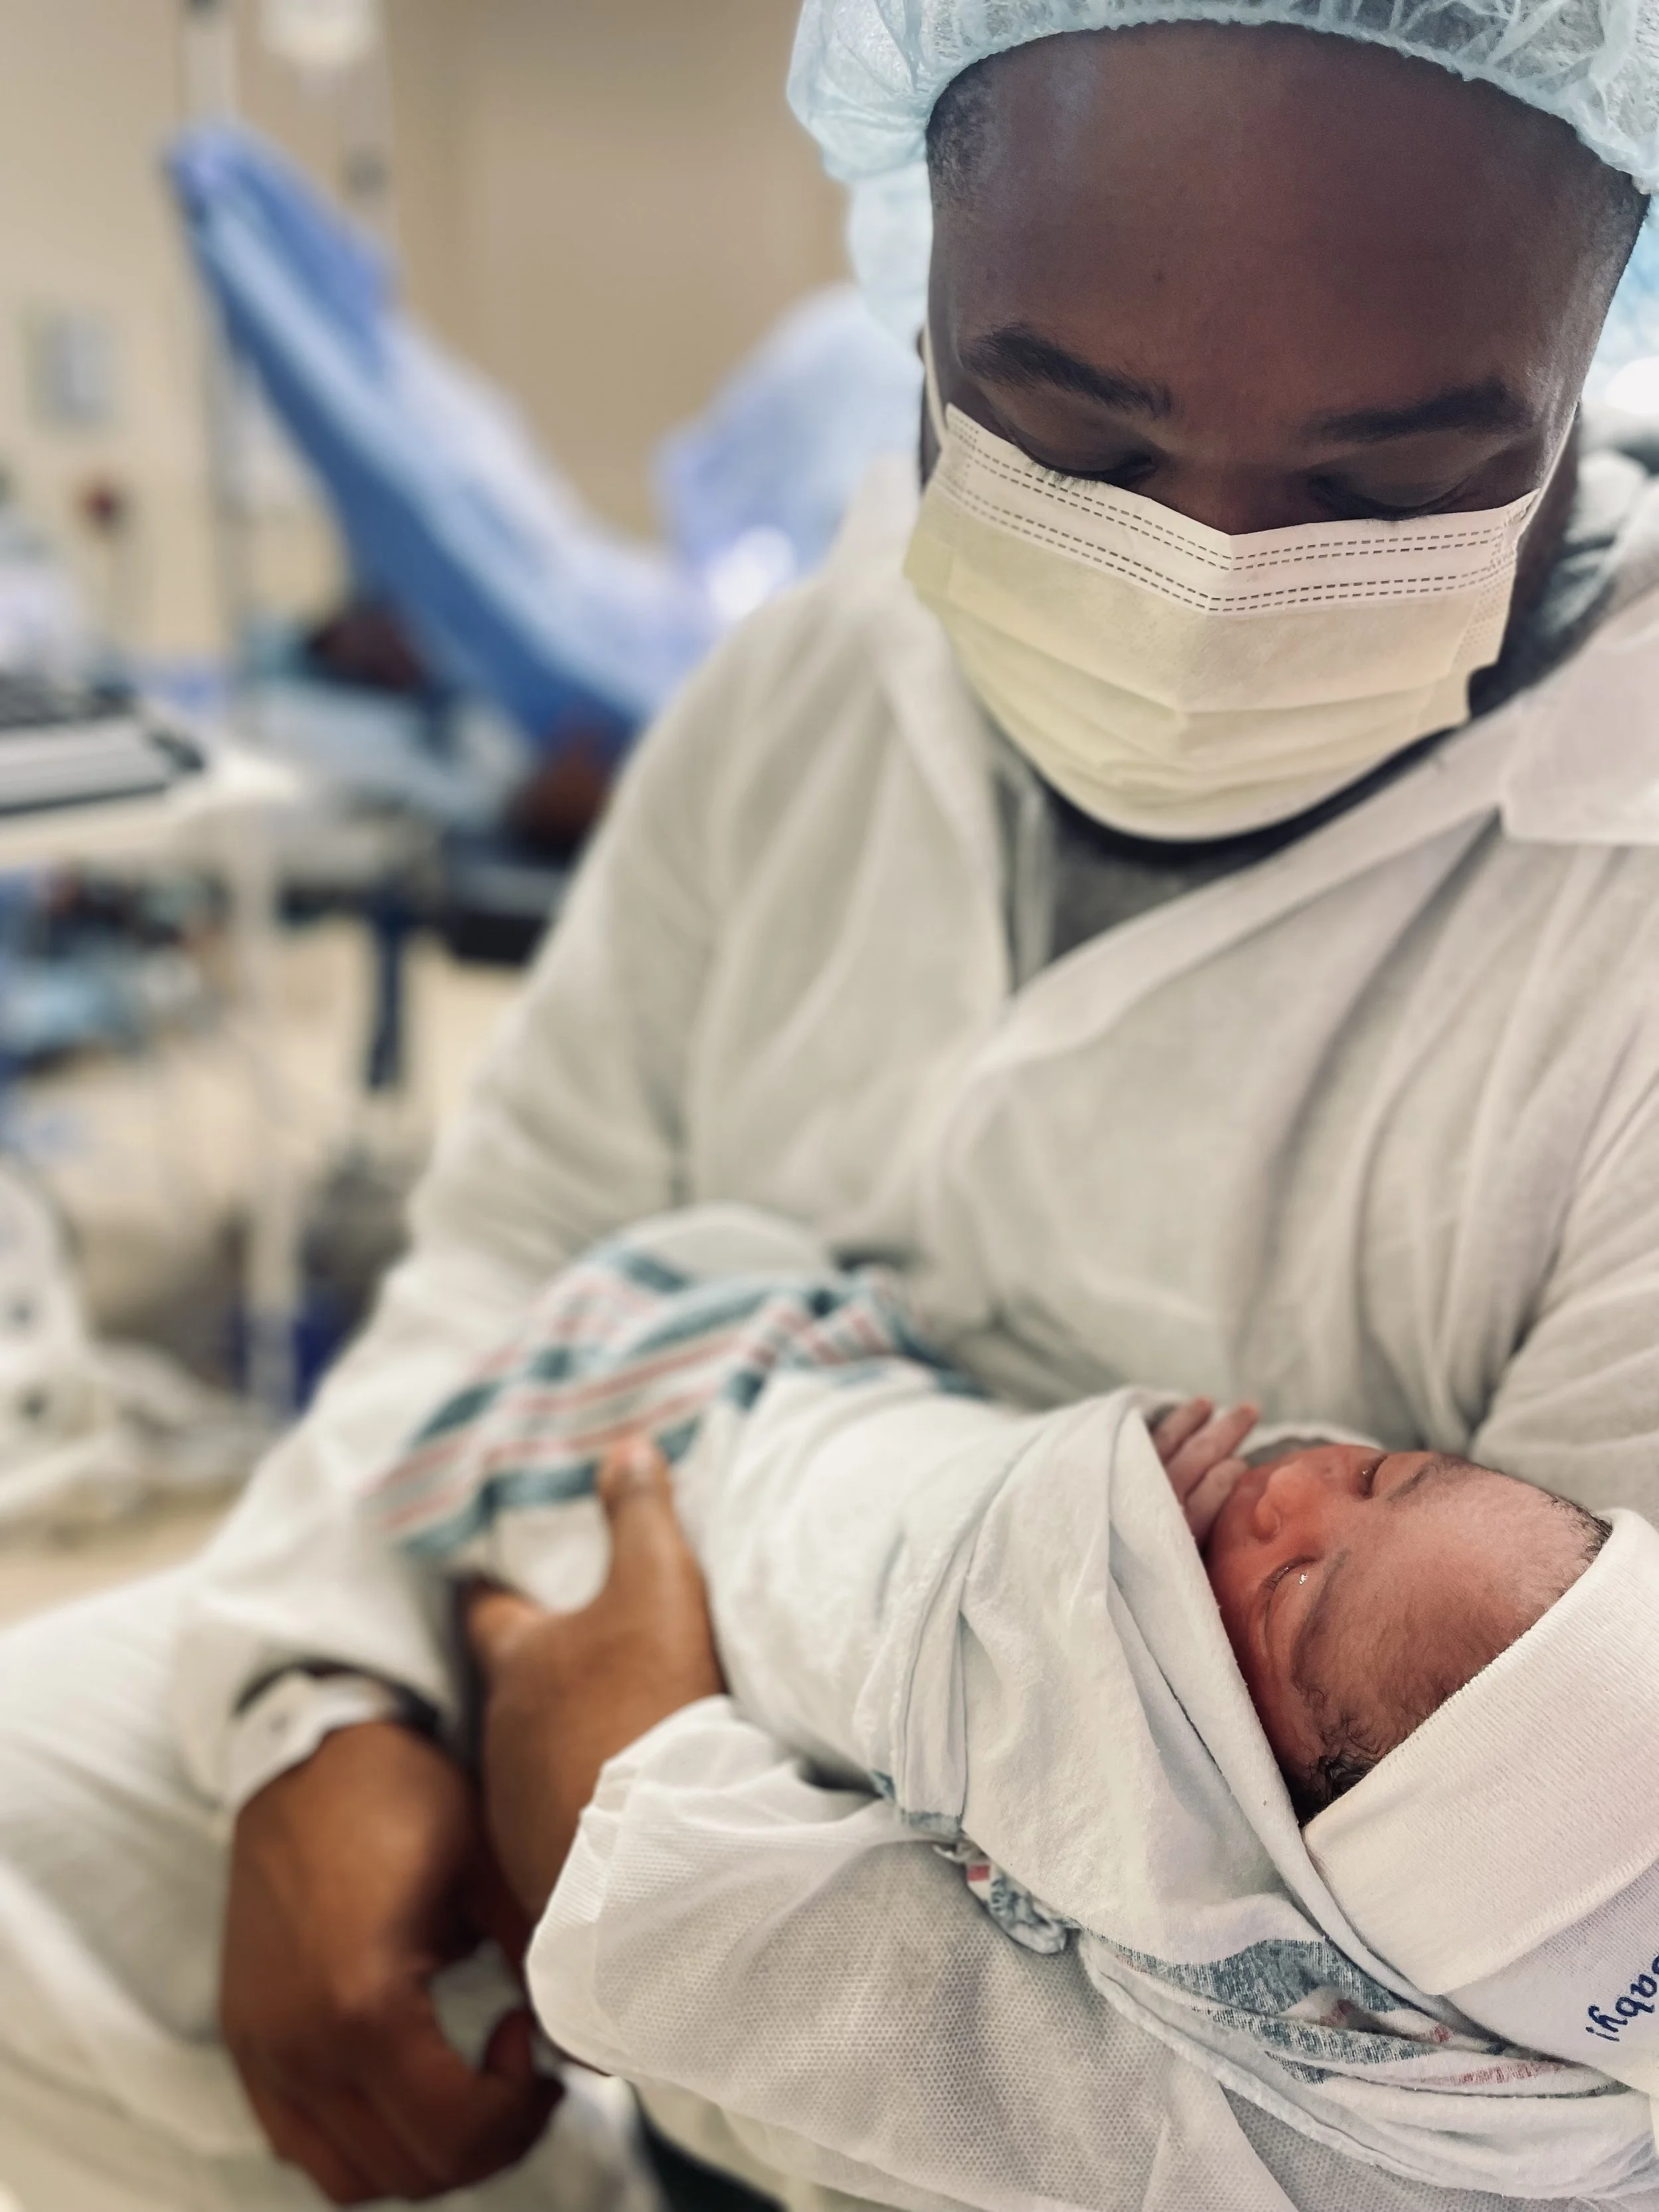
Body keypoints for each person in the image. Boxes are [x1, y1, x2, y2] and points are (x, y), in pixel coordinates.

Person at [3, 3, 1659, 2209]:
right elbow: (523, 1235)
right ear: (922, 303)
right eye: (1072, 439)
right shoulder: (809, 683)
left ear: (1585, 357)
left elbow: (1502, 2101)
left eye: (1384, 490)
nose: (1203, 584)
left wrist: (642, 1846)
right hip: (593, 1597)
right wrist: (329, 1693)